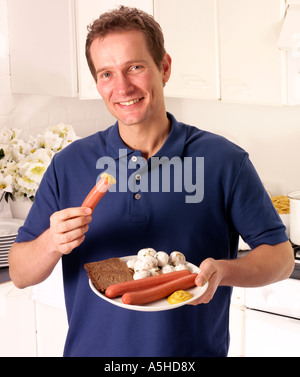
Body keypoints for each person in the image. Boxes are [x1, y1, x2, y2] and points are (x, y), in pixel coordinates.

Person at [9, 6, 294, 357]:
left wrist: (224, 271)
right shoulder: (69, 165)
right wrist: (51, 242)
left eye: (135, 67)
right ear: (97, 83)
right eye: (106, 74)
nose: (123, 87)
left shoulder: (224, 161)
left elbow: (280, 258)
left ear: (164, 67)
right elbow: (20, 273)